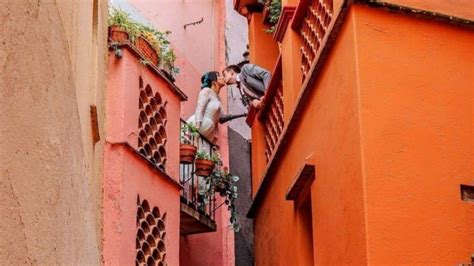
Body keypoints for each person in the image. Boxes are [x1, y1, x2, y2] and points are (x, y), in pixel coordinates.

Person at [186, 71, 226, 142]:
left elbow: (220, 119)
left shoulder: (218, 99)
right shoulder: (206, 91)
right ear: (214, 82)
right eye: (219, 76)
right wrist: (197, 126)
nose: (222, 78)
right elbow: (200, 107)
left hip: (208, 129)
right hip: (199, 123)